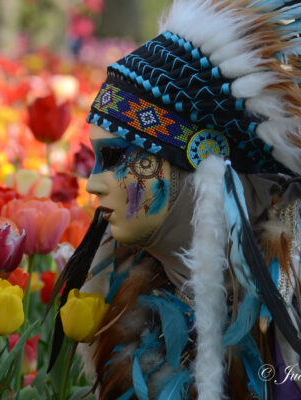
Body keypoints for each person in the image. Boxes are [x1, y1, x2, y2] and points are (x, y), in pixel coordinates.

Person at [49, 0, 301, 398]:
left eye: (115, 157)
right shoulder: (120, 297)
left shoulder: (289, 300)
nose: (93, 183)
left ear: (202, 155)